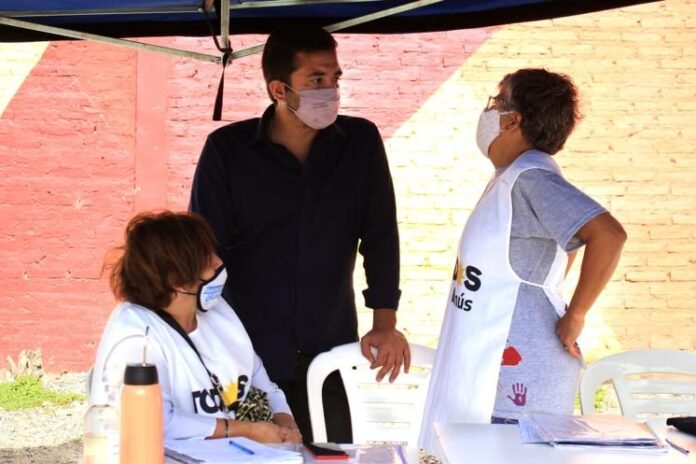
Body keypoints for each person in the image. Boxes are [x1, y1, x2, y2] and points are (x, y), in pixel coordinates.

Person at [189, 26, 410, 443]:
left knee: (331, 452)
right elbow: (202, 253)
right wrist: (196, 336)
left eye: (335, 78)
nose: (331, 90)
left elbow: (381, 236)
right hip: (246, 354)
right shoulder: (227, 151)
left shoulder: (360, 143)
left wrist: (385, 322)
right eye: (316, 79)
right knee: (254, 455)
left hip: (330, 349)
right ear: (279, 89)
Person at [419, 69, 627, 452]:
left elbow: (608, 235)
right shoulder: (510, 178)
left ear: (512, 120)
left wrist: (575, 315)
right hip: (490, 370)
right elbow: (568, 242)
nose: (488, 110)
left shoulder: (531, 179)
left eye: (496, 102)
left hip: (519, 384)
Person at [90, 211, 301, 443]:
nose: (218, 262)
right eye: (205, 258)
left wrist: (286, 426)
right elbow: (157, 421)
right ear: (176, 279)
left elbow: (263, 382)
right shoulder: (136, 335)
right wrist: (246, 430)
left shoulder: (219, 311)